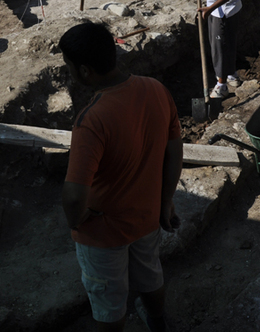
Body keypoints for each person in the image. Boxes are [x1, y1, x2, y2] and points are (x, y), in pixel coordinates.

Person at [60, 22, 183, 332]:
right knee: (150, 276)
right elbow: (174, 150)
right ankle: (157, 324)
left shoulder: (92, 121)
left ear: (85, 71)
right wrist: (166, 201)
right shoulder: (155, 89)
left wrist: (78, 220)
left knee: (109, 301)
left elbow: (75, 196)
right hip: (145, 217)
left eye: (69, 66)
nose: (69, 72)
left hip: (103, 232)